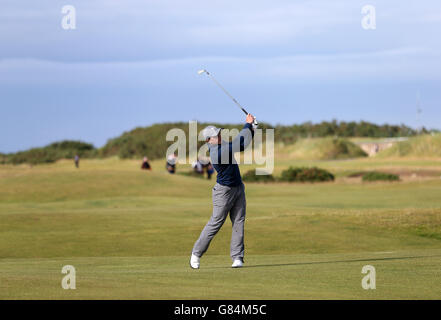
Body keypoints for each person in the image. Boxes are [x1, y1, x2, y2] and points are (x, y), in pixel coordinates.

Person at [190, 114, 255, 269]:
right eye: (215, 136)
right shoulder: (217, 153)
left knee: (239, 222)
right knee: (216, 223)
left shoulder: (223, 145)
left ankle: (237, 257)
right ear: (208, 141)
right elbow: (239, 143)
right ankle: (196, 254)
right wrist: (247, 125)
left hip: (238, 188)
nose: (219, 136)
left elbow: (242, 144)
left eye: (219, 134)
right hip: (223, 192)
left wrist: (252, 129)